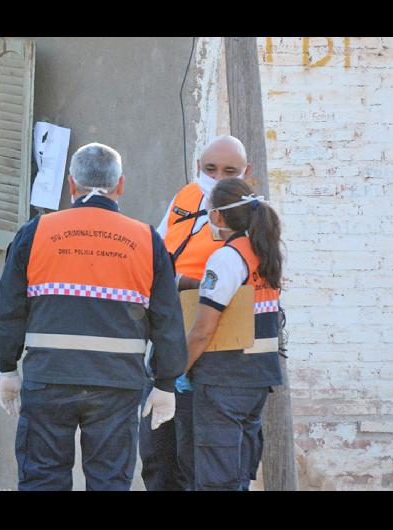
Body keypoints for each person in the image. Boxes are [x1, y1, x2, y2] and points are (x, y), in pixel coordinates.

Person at [0, 143, 187, 491]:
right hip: (117, 384)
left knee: (42, 479)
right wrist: (165, 384)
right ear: (121, 185)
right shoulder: (147, 240)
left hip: (49, 378)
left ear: (71, 185)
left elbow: (9, 309)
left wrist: (7, 368)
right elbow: (168, 320)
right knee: (109, 481)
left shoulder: (35, 233)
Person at [139, 135, 251, 491]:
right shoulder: (185, 197)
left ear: (245, 172)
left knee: (195, 460)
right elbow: (155, 253)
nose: (217, 177)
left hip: (210, 348)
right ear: (197, 168)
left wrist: (183, 282)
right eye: (210, 169)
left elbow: (240, 280)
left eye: (229, 171)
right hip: (169, 337)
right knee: (157, 451)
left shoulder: (249, 215)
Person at [185, 177, 283, 491]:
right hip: (256, 379)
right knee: (238, 478)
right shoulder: (264, 253)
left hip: (223, 381)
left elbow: (202, 330)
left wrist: (177, 369)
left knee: (217, 481)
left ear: (218, 215)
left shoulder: (227, 258)